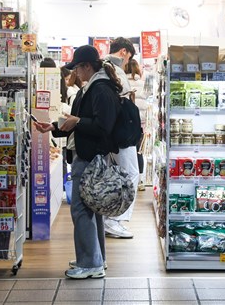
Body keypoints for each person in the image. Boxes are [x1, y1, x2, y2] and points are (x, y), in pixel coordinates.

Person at [33, 45, 122, 279]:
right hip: (86, 155)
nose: (75, 73)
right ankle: (95, 258)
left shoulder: (100, 90)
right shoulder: (90, 88)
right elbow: (75, 122)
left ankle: (90, 263)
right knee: (93, 210)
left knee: (81, 210)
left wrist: (78, 122)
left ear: (87, 66)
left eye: (78, 68)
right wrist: (53, 127)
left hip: (91, 157)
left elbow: (103, 127)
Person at [103, 37, 139, 239]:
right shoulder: (112, 70)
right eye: (128, 58)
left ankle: (111, 218)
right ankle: (114, 220)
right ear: (124, 52)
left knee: (116, 174)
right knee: (131, 173)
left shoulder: (107, 68)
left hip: (114, 132)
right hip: (120, 132)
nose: (127, 63)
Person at [125, 58, 149, 191]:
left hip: (126, 123)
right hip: (140, 123)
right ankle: (140, 181)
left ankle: (127, 179)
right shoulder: (142, 83)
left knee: (126, 151)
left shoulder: (122, 83)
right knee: (138, 152)